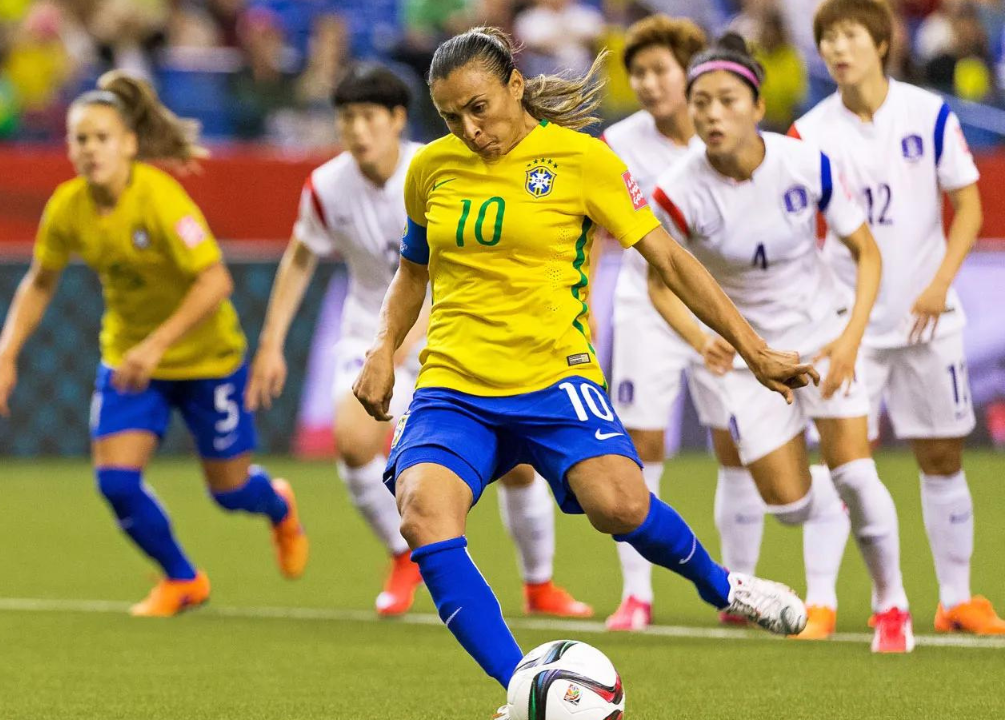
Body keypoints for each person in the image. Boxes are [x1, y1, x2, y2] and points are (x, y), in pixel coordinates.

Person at [352, 27, 811, 702]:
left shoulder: (581, 159)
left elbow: (671, 260)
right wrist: (382, 349)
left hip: (555, 378)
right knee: (422, 513)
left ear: (514, 84)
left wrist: (754, 348)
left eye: (479, 107)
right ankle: (523, 692)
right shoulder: (430, 170)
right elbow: (411, 274)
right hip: (454, 387)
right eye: (451, 116)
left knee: (620, 505)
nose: (469, 128)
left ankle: (723, 585)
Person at [247, 63, 592, 619]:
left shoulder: (434, 168)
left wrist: (414, 339)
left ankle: (539, 584)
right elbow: (300, 256)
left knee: (521, 465)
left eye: (368, 117)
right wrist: (270, 344)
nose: (357, 130)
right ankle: (403, 554)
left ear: (397, 119)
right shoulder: (325, 186)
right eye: (346, 119)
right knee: (353, 442)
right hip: (371, 334)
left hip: (452, 330)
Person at [0, 70, 308, 618]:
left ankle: (277, 505)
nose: (90, 150)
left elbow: (216, 281)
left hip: (207, 360)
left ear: (130, 144)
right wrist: (5, 352)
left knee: (229, 493)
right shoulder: (67, 207)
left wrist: (156, 346)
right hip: (131, 361)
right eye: (80, 139)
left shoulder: (160, 199)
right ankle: (183, 579)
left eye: (102, 138)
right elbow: (40, 281)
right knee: (115, 482)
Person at [647, 32, 913, 653]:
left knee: (856, 472)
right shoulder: (677, 190)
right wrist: (701, 338)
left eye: (727, 100)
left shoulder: (806, 163)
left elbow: (866, 252)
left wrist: (850, 341)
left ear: (758, 105)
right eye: (702, 102)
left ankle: (891, 605)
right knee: (788, 504)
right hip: (747, 361)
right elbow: (660, 287)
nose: (713, 114)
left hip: (824, 339)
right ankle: (835, 507)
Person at [790, 0, 1004, 636]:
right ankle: (821, 600)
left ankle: (957, 599)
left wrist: (940, 284)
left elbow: (967, 206)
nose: (838, 49)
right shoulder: (808, 132)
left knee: (942, 458)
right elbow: (800, 235)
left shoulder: (929, 113)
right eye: (828, 38)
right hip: (844, 328)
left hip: (926, 322)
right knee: (842, 466)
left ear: (882, 43)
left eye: (850, 35)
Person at [603, 14, 765, 632]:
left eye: (658, 70)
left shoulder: (724, 134)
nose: (647, 83)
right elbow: (592, 231)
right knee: (639, 448)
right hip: (645, 310)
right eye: (637, 72)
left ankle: (738, 590)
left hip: (717, 306)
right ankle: (637, 595)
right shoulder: (618, 143)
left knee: (736, 445)